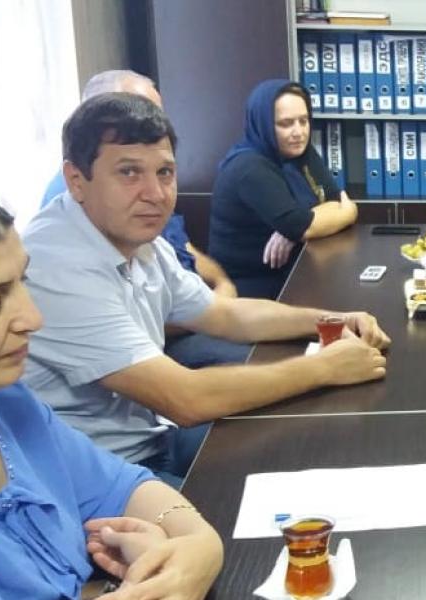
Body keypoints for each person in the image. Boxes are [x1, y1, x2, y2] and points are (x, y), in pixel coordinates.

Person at [22, 92, 390, 486]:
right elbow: (186, 399)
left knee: (314, 451)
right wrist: (324, 368)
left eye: (164, 172)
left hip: (152, 438)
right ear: (76, 180)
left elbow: (223, 313)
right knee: (252, 513)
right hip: (95, 477)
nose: (155, 194)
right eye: (129, 172)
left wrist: (333, 320)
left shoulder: (136, 237)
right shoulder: (56, 263)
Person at [0, 186, 222, 598]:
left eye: (22, 282)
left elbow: (122, 487)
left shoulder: (0, 400)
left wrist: (198, 545)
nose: (32, 318)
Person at [40, 69, 249, 369]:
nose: (155, 194)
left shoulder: (139, 224)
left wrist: (220, 283)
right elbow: (184, 391)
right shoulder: (59, 255)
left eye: (154, 115)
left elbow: (180, 252)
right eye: (128, 172)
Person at [210, 79, 358, 299]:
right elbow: (308, 224)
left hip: (296, 269)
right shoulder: (249, 168)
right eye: (286, 123)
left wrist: (294, 230)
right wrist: (347, 212)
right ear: (263, 124)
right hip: (252, 288)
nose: (299, 132)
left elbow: (332, 200)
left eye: (303, 121)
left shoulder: (300, 153)